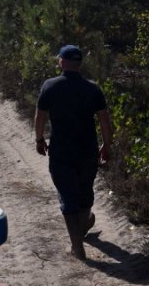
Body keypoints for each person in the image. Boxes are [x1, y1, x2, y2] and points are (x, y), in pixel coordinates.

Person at [34, 44, 112, 261]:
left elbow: (40, 116)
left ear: (62, 62)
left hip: (61, 151)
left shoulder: (50, 86)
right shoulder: (93, 89)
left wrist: (39, 139)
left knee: (68, 195)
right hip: (87, 150)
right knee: (85, 191)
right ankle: (84, 223)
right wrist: (107, 145)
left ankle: (77, 247)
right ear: (79, 64)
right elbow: (104, 119)